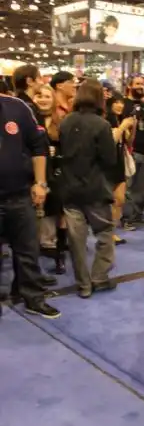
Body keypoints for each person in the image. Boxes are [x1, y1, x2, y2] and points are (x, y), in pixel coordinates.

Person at [0, 94, 60, 319]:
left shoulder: (16, 107)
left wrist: (40, 182)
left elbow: (38, 147)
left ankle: (34, 299)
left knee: (28, 251)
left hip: (19, 194)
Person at [60, 79, 117, 298]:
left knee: (76, 241)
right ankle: (99, 277)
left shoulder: (66, 122)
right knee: (105, 233)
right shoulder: (101, 124)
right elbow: (110, 159)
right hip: (95, 189)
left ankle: (83, 285)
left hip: (69, 189)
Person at [35, 84, 68, 274]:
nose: (43, 99)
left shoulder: (61, 120)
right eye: (39, 95)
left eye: (47, 96)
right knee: (39, 217)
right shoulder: (30, 118)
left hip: (58, 175)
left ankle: (60, 255)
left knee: (60, 216)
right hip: (36, 175)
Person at [122, 75, 144, 228]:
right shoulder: (123, 104)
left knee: (141, 188)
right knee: (128, 187)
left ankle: (138, 215)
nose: (141, 86)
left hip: (143, 150)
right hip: (129, 151)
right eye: (137, 84)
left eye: (142, 84)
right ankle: (127, 218)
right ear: (130, 86)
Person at [107, 93, 136, 245]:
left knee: (120, 200)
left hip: (120, 163)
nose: (120, 105)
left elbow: (129, 142)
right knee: (109, 201)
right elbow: (110, 141)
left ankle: (112, 231)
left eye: (121, 103)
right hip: (108, 165)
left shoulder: (120, 120)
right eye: (116, 102)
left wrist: (133, 126)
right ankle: (107, 233)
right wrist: (123, 126)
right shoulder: (106, 120)